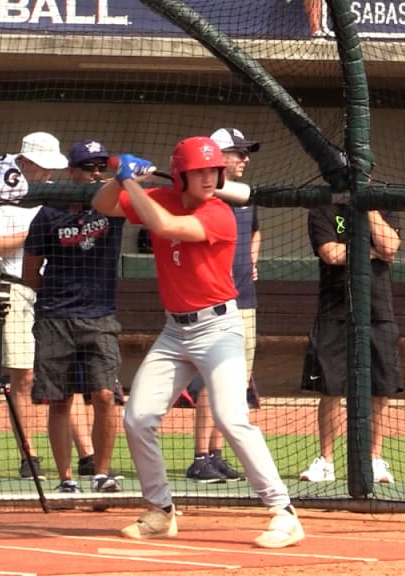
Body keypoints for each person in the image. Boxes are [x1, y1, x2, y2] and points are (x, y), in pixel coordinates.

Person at [91, 137, 304, 548]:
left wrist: (131, 183)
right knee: (137, 418)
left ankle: (284, 512)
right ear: (182, 173)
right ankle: (160, 511)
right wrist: (121, 181)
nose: (209, 178)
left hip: (219, 329)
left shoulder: (220, 213)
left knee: (231, 417)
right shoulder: (161, 195)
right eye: (200, 172)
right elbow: (104, 206)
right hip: (175, 331)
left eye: (213, 171)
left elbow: (166, 227)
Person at [22, 139, 125, 493]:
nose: (95, 173)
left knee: (106, 395)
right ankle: (66, 478)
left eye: (101, 168)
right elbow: (30, 272)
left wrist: (129, 174)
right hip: (56, 316)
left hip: (100, 316)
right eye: (88, 168)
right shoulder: (49, 213)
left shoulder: (112, 207)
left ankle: (102, 473)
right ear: (72, 172)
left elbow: (141, 193)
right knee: (60, 399)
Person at [0, 131, 70, 480]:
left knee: (63, 376)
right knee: (24, 375)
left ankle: (85, 458)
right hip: (16, 288)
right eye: (43, 167)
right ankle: (28, 456)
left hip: (54, 290)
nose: (49, 174)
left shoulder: (55, 195)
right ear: (26, 162)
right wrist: (36, 233)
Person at [299, 205, 402, 484]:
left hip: (377, 312)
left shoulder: (381, 211)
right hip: (335, 313)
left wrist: (369, 211)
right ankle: (326, 461)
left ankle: (374, 459)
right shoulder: (323, 212)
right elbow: (330, 254)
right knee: (331, 388)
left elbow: (390, 246)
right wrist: (369, 252)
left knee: (380, 390)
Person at [185, 128, 262, 483]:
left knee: (237, 382)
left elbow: (256, 231)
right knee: (212, 382)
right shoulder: (203, 198)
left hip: (246, 299)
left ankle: (216, 454)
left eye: (246, 153)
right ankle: (200, 455)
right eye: (238, 153)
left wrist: (253, 260)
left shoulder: (246, 196)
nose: (245, 159)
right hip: (213, 304)